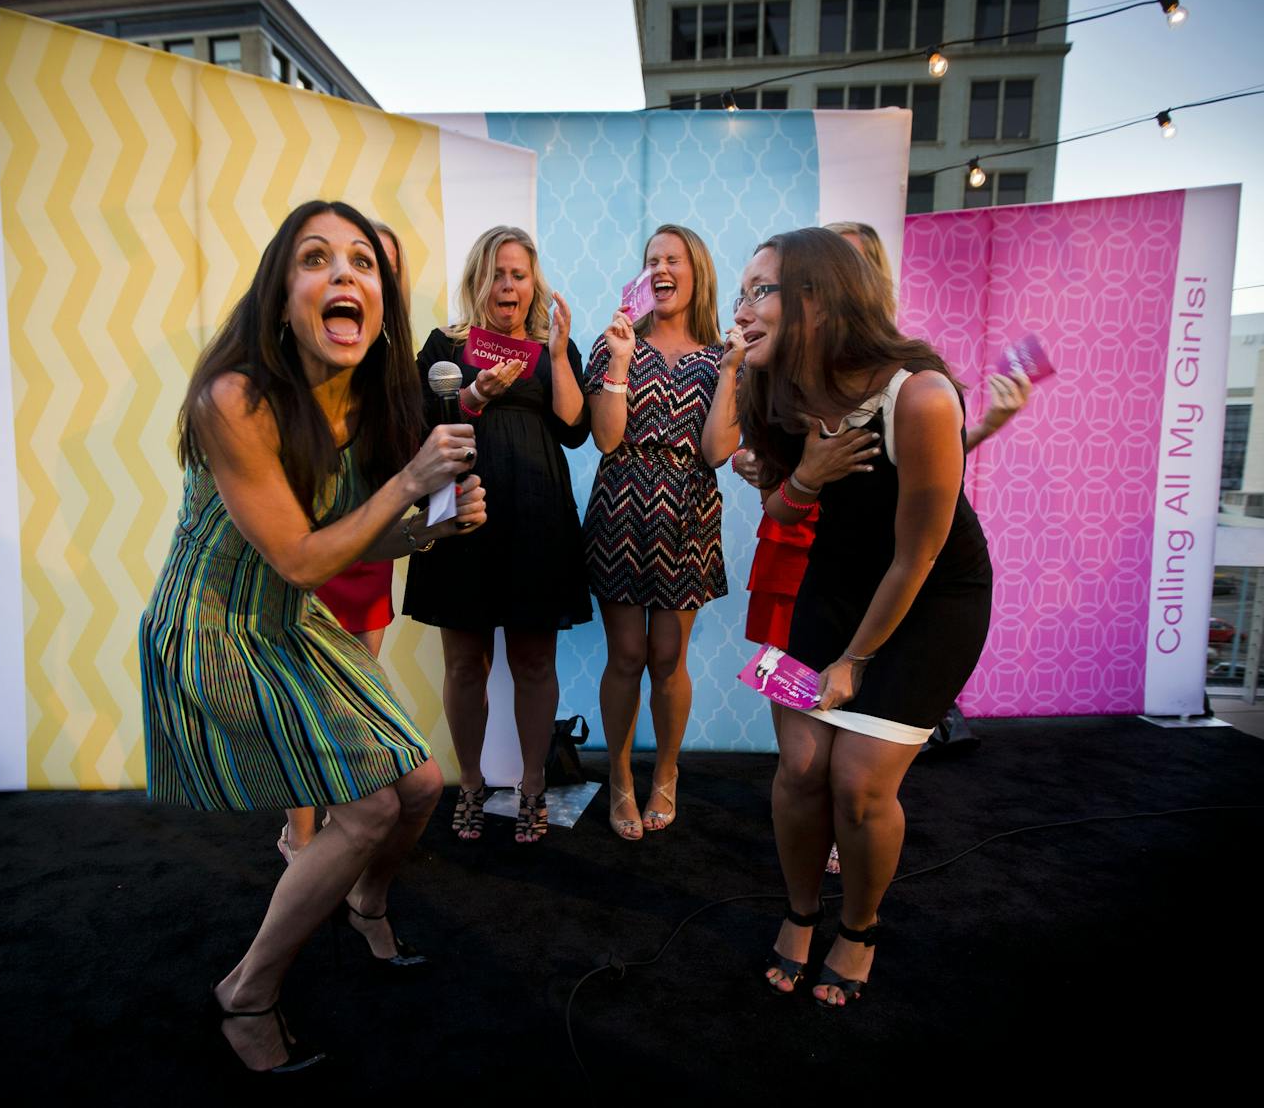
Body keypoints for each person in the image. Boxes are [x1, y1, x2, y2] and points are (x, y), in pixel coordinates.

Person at [139, 200, 487, 1072]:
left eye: (362, 263)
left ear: (383, 299)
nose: (343, 275)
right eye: (315, 260)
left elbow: (344, 545)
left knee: (421, 787)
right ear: (281, 296)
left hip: (294, 621)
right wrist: (411, 483)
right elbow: (298, 556)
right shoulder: (236, 397)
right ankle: (245, 994)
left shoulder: (367, 398)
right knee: (369, 804)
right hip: (214, 626)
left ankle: (365, 904)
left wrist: (426, 534)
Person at [736, 227, 993, 1008]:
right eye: (742, 292)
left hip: (931, 599)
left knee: (856, 784)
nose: (742, 309)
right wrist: (806, 479)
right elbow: (778, 510)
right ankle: (801, 912)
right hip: (831, 585)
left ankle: (860, 927)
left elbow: (917, 557)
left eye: (761, 290)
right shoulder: (773, 387)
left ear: (816, 297)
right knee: (800, 771)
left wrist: (854, 661)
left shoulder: (919, 394)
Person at [402, 226, 590, 844]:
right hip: (461, 514)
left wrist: (559, 354)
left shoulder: (551, 346)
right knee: (464, 663)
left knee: (535, 659)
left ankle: (533, 786)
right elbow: (415, 422)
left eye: (518, 274)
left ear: (533, 282)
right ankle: (474, 784)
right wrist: (474, 397)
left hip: (537, 518)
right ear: (477, 280)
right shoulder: (444, 346)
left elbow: (573, 428)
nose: (507, 285)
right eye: (496, 273)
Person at [582, 224, 740, 840]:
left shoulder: (723, 357)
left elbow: (719, 449)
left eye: (673, 259)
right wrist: (620, 360)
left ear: (695, 272)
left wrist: (731, 371)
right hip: (621, 507)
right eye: (651, 260)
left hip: (688, 516)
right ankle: (620, 778)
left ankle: (666, 774)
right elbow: (606, 438)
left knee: (668, 657)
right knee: (627, 654)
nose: (661, 268)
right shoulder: (616, 342)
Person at [280, 221, 413, 865]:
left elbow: (396, 481)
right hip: (306, 565)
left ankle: (339, 837)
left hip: (369, 560)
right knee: (305, 710)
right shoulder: (282, 388)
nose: (355, 277)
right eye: (335, 262)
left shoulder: (393, 382)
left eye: (373, 267)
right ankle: (300, 840)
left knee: (349, 708)